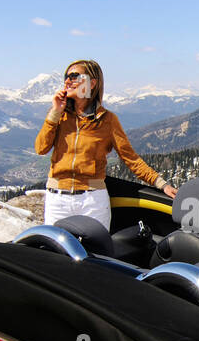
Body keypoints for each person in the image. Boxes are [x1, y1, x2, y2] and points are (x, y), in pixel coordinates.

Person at [35, 58, 176, 230]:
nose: (67, 81)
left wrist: (161, 184)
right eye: (66, 76)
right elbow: (41, 148)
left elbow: (130, 158)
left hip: (92, 201)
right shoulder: (60, 115)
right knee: (56, 254)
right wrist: (55, 112)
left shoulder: (107, 120)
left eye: (74, 76)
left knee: (95, 253)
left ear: (92, 83)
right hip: (57, 201)